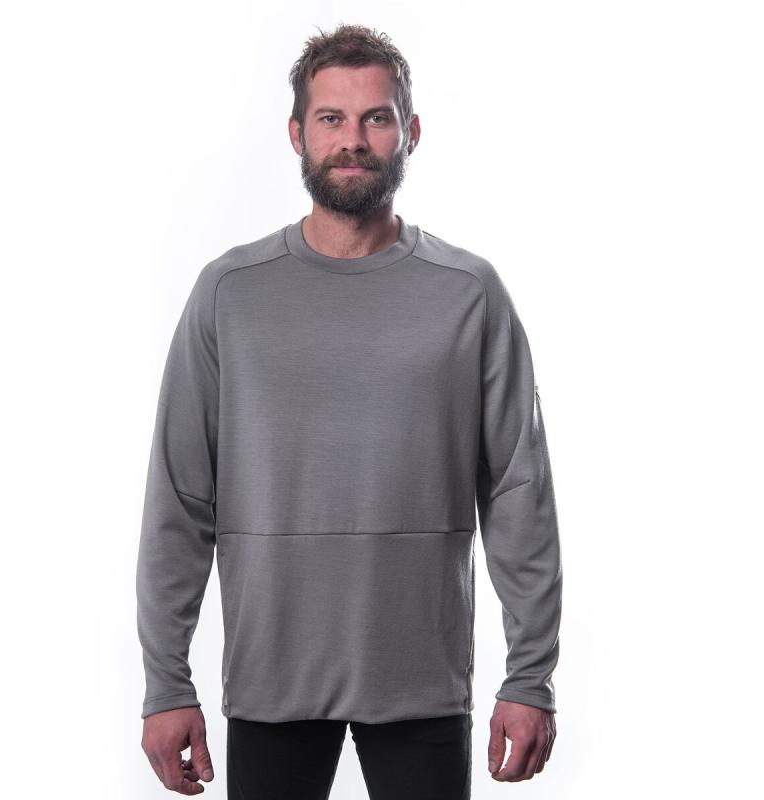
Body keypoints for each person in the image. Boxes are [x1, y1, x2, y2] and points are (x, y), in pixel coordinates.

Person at [136, 22, 562, 799]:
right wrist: (167, 684)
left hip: (423, 680)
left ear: (411, 133)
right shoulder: (231, 293)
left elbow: (518, 490)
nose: (353, 140)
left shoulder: (468, 293)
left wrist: (530, 676)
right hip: (271, 679)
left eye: (376, 118)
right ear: (297, 133)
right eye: (331, 118)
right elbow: (180, 495)